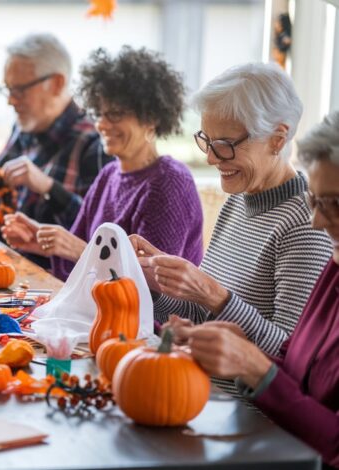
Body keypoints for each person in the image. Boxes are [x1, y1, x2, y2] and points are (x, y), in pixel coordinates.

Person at [133, 62, 332, 396]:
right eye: (206, 141)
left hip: (252, 415)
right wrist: (157, 285)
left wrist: (213, 293)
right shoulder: (239, 201)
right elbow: (200, 318)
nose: (212, 158)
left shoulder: (305, 225)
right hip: (203, 390)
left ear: (277, 138)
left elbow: (291, 361)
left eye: (224, 144)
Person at [176, 111, 339, 468]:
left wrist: (256, 369)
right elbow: (300, 369)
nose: (317, 221)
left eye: (335, 205)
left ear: (277, 140)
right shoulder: (335, 266)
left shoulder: (306, 236)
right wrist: (236, 345)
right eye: (315, 201)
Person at [3, 47, 203, 281]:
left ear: (151, 118)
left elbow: (154, 287)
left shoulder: (169, 182)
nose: (103, 125)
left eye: (116, 114)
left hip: (149, 317)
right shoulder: (109, 175)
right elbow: (75, 267)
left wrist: (77, 249)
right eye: (99, 114)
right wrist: (44, 243)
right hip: (96, 309)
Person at [0, 33, 114, 269]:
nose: (11, 101)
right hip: (5, 266)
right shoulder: (23, 126)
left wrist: (47, 187)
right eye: (7, 90)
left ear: (57, 83)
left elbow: (99, 237)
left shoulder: (95, 142)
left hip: (55, 281)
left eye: (20, 90)